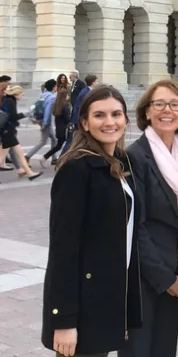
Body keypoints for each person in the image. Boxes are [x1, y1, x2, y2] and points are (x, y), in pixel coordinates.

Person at [41, 86, 142, 357]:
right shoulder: (76, 168)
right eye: (99, 115)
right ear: (84, 122)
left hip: (107, 298)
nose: (109, 122)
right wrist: (63, 320)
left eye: (116, 114)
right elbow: (63, 250)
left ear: (125, 119)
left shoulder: (119, 163)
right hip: (83, 304)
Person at [122, 80, 178, 357]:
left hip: (177, 271)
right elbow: (136, 227)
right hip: (145, 278)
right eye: (158, 104)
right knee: (139, 350)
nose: (166, 110)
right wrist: (164, 278)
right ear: (147, 111)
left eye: (174, 104)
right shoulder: (136, 156)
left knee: (164, 349)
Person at [0, 86, 42, 180]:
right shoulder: (10, 101)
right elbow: (13, 117)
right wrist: (25, 114)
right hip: (8, 131)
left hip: (6, 130)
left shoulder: (7, 100)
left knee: (7, 155)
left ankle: (27, 172)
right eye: (22, 94)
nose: (22, 96)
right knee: (17, 154)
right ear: (17, 93)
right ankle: (29, 173)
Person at [26, 79, 57, 163]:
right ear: (53, 87)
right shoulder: (52, 97)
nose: (57, 87)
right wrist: (45, 123)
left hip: (41, 119)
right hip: (45, 121)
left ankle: (54, 158)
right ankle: (28, 156)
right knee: (43, 141)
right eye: (56, 86)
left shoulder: (43, 95)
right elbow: (47, 110)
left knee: (54, 139)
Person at [42, 89, 72, 165]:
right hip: (65, 129)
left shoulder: (57, 105)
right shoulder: (65, 106)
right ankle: (63, 160)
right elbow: (68, 119)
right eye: (68, 95)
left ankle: (45, 157)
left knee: (59, 146)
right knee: (69, 145)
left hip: (59, 129)